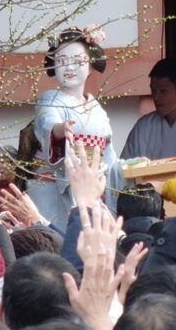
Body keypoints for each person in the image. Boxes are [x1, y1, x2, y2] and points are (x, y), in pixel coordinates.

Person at [30, 25, 128, 227]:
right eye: (62, 61)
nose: (69, 68)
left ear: (90, 65)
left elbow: (109, 160)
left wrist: (133, 167)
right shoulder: (48, 100)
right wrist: (59, 130)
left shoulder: (97, 109)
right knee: (55, 242)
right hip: (54, 191)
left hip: (92, 189)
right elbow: (49, 124)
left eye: (77, 61)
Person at [121, 58, 176, 168]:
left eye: (163, 91)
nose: (156, 97)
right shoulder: (143, 127)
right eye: (153, 90)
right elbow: (124, 169)